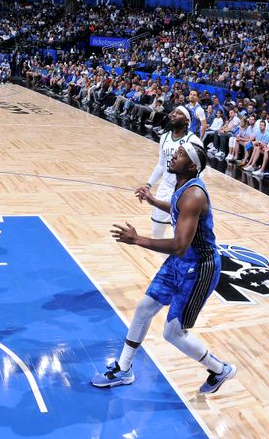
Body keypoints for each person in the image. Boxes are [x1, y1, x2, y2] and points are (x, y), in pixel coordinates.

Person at [93, 142, 235, 394]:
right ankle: (124, 369)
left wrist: (137, 239)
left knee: (173, 333)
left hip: (199, 268)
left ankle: (219, 369)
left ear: (191, 166)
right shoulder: (183, 188)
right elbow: (178, 210)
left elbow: (180, 245)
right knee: (143, 309)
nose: (173, 156)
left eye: (180, 155)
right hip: (180, 263)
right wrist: (154, 201)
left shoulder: (194, 195)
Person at [139, 106, 203, 239]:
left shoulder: (194, 141)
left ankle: (179, 259)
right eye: (173, 112)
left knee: (180, 235)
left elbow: (200, 170)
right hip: (165, 187)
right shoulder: (164, 137)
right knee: (157, 232)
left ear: (187, 121)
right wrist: (148, 185)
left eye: (179, 113)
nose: (173, 114)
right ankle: (167, 259)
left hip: (183, 192)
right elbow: (161, 165)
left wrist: (192, 191)